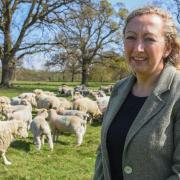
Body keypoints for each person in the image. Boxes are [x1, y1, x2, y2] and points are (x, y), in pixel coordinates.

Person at [94, 6, 180, 180]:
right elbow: (103, 153)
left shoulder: (177, 93)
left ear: (167, 48)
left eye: (149, 39)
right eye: (131, 37)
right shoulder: (119, 89)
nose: (138, 48)